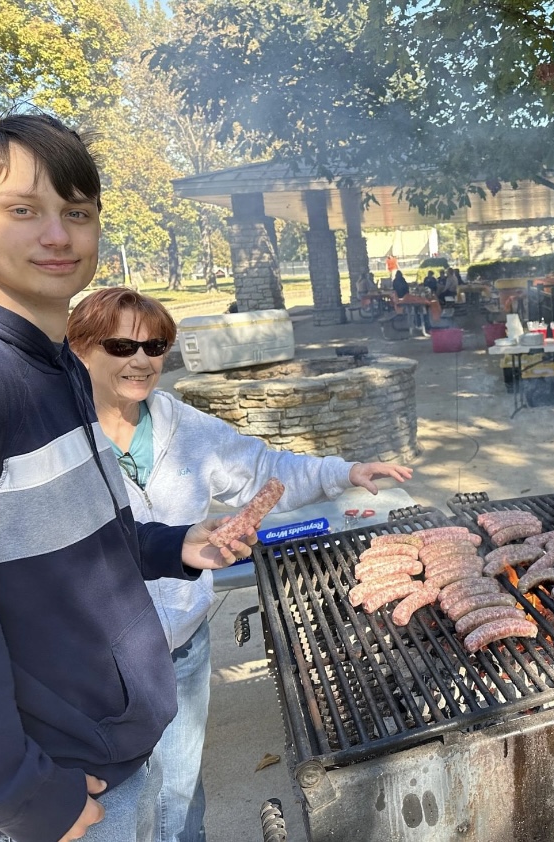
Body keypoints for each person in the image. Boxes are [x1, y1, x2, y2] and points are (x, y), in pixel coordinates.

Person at [0, 111, 254, 842]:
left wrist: (170, 545)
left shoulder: (58, 364)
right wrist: (20, 797)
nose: (58, 236)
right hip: (60, 792)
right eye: (23, 210)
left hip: (119, 748)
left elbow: (71, 533)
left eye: (76, 212)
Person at [66, 287, 414, 842]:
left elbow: (261, 468)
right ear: (81, 348)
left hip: (181, 643)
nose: (141, 360)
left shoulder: (181, 424)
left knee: (180, 792)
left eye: (155, 347)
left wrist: (342, 473)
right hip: (93, 666)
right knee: (121, 809)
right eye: (121, 344)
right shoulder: (53, 438)